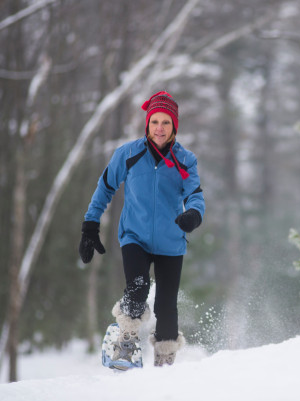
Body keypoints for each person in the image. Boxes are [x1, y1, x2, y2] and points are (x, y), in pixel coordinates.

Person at [78, 91, 205, 367]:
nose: (159, 128)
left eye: (166, 123)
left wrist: (194, 214)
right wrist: (90, 224)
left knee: (166, 308)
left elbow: (195, 194)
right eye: (155, 121)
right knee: (137, 289)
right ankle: (125, 342)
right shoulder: (128, 154)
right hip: (134, 237)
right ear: (147, 123)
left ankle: (165, 361)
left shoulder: (185, 160)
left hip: (171, 242)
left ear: (174, 127)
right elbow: (105, 188)